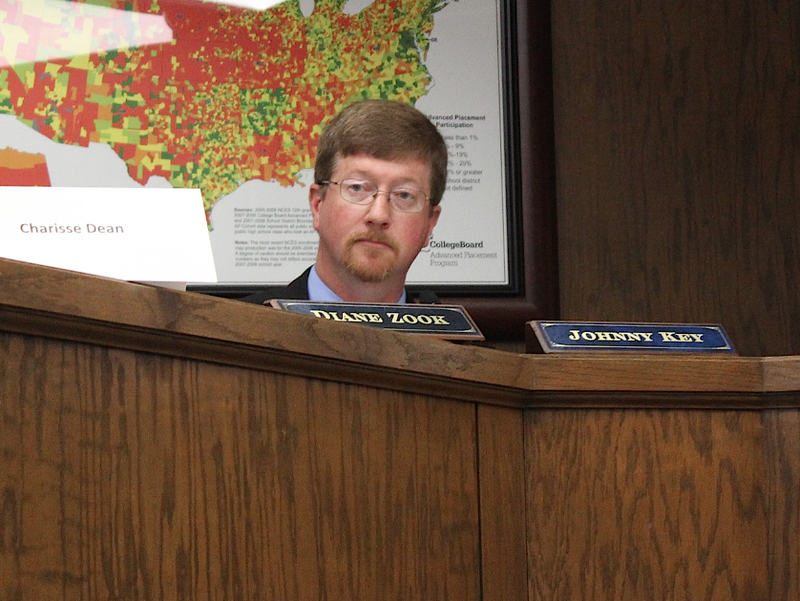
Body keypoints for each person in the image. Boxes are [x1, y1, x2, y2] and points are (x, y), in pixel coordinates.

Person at [241, 99, 447, 305]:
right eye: (357, 188)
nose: (378, 215)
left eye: (404, 195)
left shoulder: (449, 337)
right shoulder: (236, 330)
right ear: (318, 204)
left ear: (430, 223)